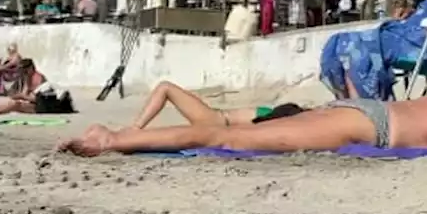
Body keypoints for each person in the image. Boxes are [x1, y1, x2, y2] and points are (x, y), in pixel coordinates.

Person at [58, 65, 427, 157]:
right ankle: (115, 139)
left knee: (231, 134)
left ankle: (121, 136)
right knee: (234, 139)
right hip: (369, 125)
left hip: (365, 113)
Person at [124, 81, 304, 128]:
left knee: (165, 88)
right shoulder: (272, 118)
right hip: (216, 120)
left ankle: (135, 127)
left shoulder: (271, 117)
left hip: (216, 119)